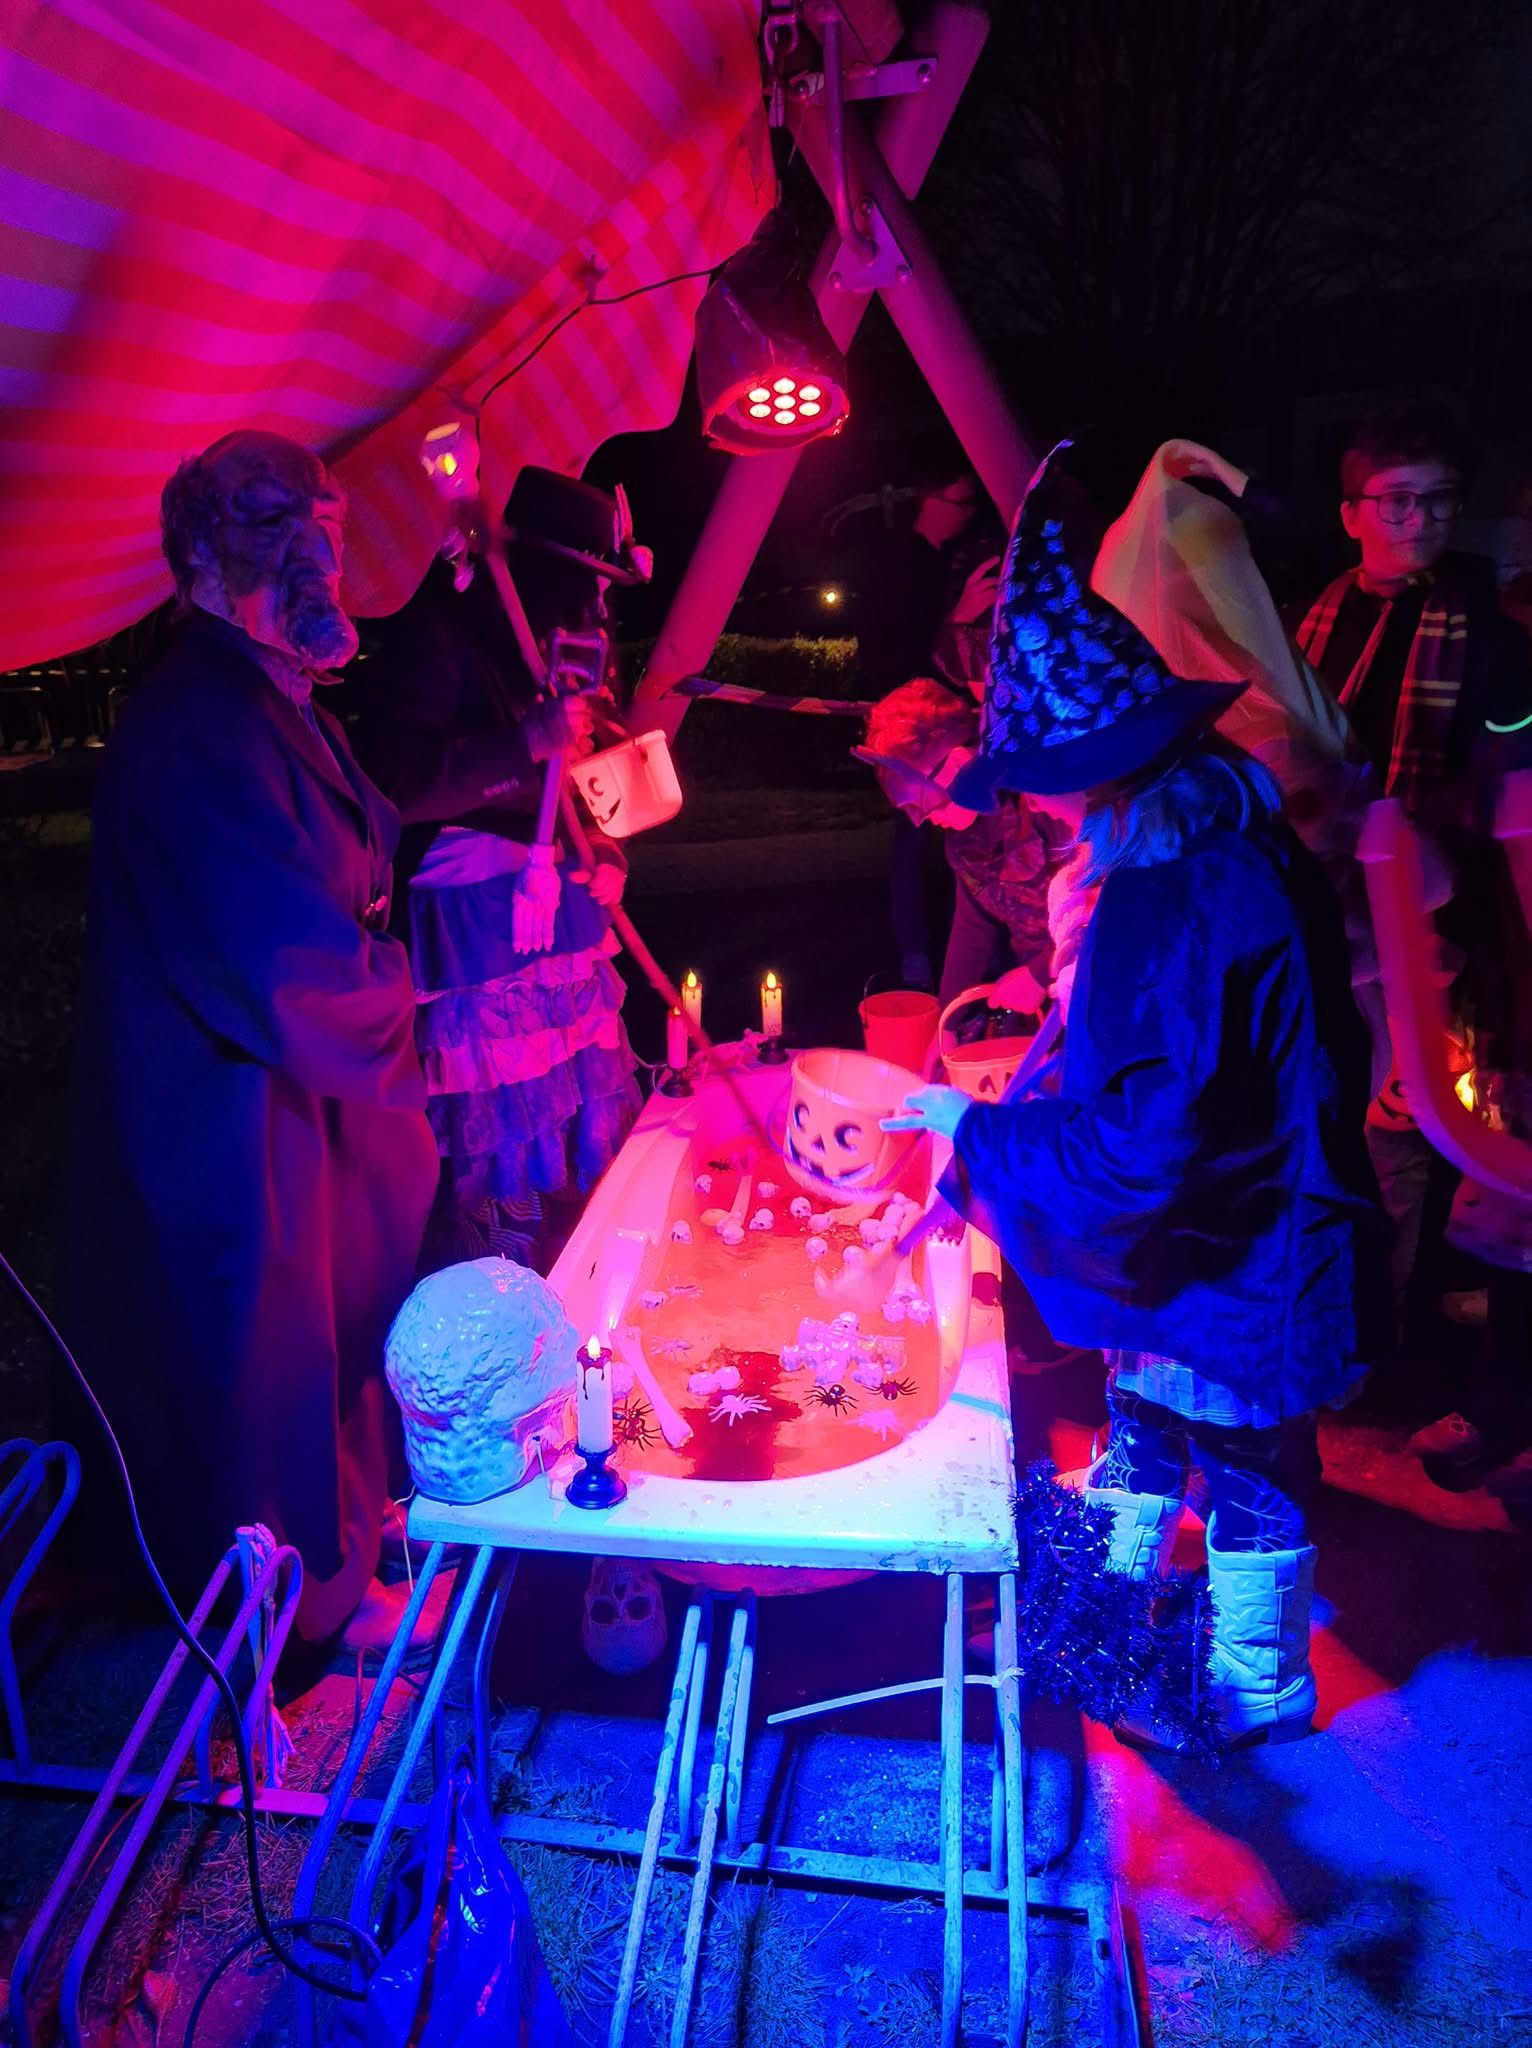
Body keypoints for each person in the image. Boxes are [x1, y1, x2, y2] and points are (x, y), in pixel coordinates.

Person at [885, 448, 1391, 1749]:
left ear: (1088, 768)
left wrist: (973, 1132)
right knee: (1139, 1423)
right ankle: (1106, 1629)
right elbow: (1123, 1067)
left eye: (1034, 779)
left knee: (1243, 1465)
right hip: (1204, 1238)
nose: (1029, 805)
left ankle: (1253, 1683)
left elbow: (1142, 1138)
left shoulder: (1174, 895)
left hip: (1234, 1247)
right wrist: (975, 1164)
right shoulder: (1198, 844)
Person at [65, 430, 440, 1653]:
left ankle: (339, 1558)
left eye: (321, 527)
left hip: (301, 1098)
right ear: (197, 563)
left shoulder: (274, 700)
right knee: (261, 1362)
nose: (310, 556)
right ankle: (283, 1617)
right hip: (232, 1110)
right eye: (270, 529)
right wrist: (417, 1010)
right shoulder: (195, 722)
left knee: (324, 1333)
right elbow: (281, 962)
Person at [1293, 405, 1532, 1489]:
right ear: (1351, 512)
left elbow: (1507, 775)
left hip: (1424, 918)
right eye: (1396, 499)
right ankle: (1332, 1320)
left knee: (1401, 1127)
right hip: (1319, 904)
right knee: (1323, 1116)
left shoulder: (1486, 625)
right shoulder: (1316, 617)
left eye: (1437, 499)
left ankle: (1375, 1343)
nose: (1419, 518)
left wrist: (1428, 818)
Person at [357, 467, 643, 1273]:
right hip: (476, 915)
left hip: (563, 904)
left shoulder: (574, 654)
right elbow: (396, 778)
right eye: (593, 582)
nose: (601, 603)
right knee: (501, 1104)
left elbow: (591, 776)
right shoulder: (443, 633)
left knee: (577, 1089)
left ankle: (589, 1262)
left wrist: (607, 851)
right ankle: (501, 1279)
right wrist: (524, 743)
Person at [849, 466, 1002, 991]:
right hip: (917, 735)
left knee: (980, 855)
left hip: (952, 736)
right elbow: (893, 654)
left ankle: (978, 964)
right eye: (960, 501)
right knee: (931, 850)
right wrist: (954, 624)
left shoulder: (955, 562)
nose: (967, 514)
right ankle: (916, 956)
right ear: (928, 499)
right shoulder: (898, 564)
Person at [855, 676, 1071, 1008]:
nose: (921, 820)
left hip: (1099, 975)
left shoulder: (1046, 803)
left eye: (922, 802)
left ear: (958, 762)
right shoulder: (963, 840)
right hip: (1052, 997)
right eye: (908, 811)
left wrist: (1041, 972)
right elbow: (973, 924)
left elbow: (1105, 898)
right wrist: (949, 1018)